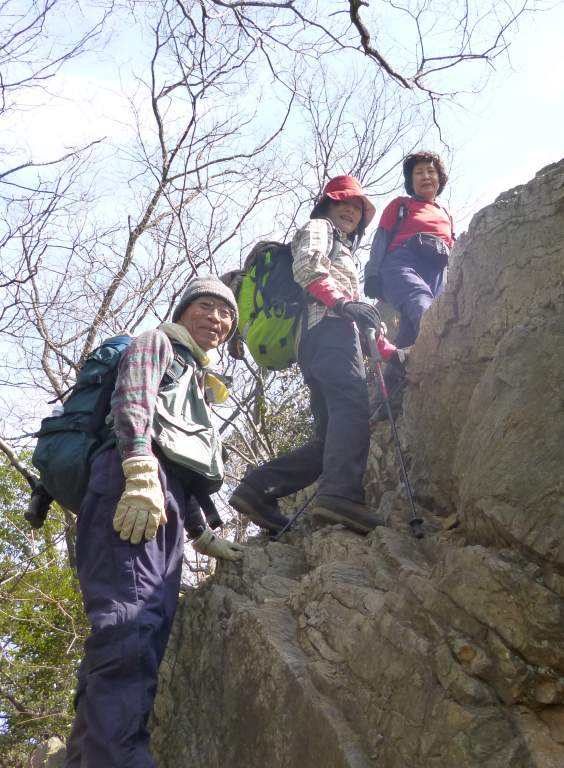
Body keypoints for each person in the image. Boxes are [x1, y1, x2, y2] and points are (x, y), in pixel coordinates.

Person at [63, 276, 244, 768]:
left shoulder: (194, 376)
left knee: (148, 625)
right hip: (128, 483)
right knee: (131, 623)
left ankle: (85, 757)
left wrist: (200, 531)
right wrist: (138, 466)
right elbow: (132, 400)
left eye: (226, 314)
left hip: (158, 494)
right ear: (185, 310)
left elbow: (175, 459)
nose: (217, 319)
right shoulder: (157, 342)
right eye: (206, 307)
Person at [230, 175, 399, 535]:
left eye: (358, 208)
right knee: (352, 408)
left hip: (319, 339)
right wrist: (344, 303)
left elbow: (361, 319)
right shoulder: (321, 227)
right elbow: (307, 265)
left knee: (329, 436)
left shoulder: (344, 250)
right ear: (328, 205)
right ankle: (339, 494)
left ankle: (258, 489)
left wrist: (391, 353)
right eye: (344, 204)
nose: (352, 211)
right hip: (329, 331)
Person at [363, 151, 454, 396]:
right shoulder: (401, 205)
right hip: (401, 262)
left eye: (431, 172)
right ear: (410, 180)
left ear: (439, 179)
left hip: (436, 272)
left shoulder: (446, 215)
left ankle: (390, 391)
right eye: (419, 172)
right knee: (421, 305)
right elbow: (381, 236)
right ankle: (438, 353)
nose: (426, 176)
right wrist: (372, 273)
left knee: (410, 331)